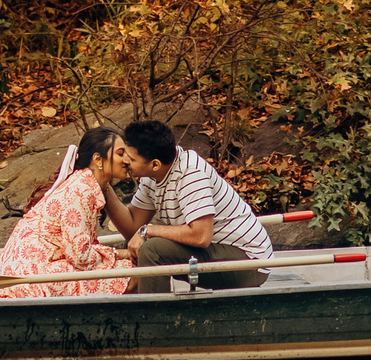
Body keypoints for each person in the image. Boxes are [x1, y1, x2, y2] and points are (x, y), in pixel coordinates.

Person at [101, 119, 272, 292]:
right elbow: (132, 227)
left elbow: (200, 236)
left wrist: (148, 230)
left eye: (130, 158)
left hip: (249, 262)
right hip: (218, 251)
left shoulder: (190, 173)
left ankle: (154, 317)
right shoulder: (151, 177)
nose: (125, 161)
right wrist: (104, 184)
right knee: (131, 245)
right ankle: (124, 311)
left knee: (152, 250)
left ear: (155, 164)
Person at [0, 126, 133, 300]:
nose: (127, 160)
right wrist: (119, 253)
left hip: (32, 265)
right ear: (98, 159)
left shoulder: (86, 183)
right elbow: (80, 257)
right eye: (120, 154)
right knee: (132, 276)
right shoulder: (81, 190)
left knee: (128, 270)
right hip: (33, 272)